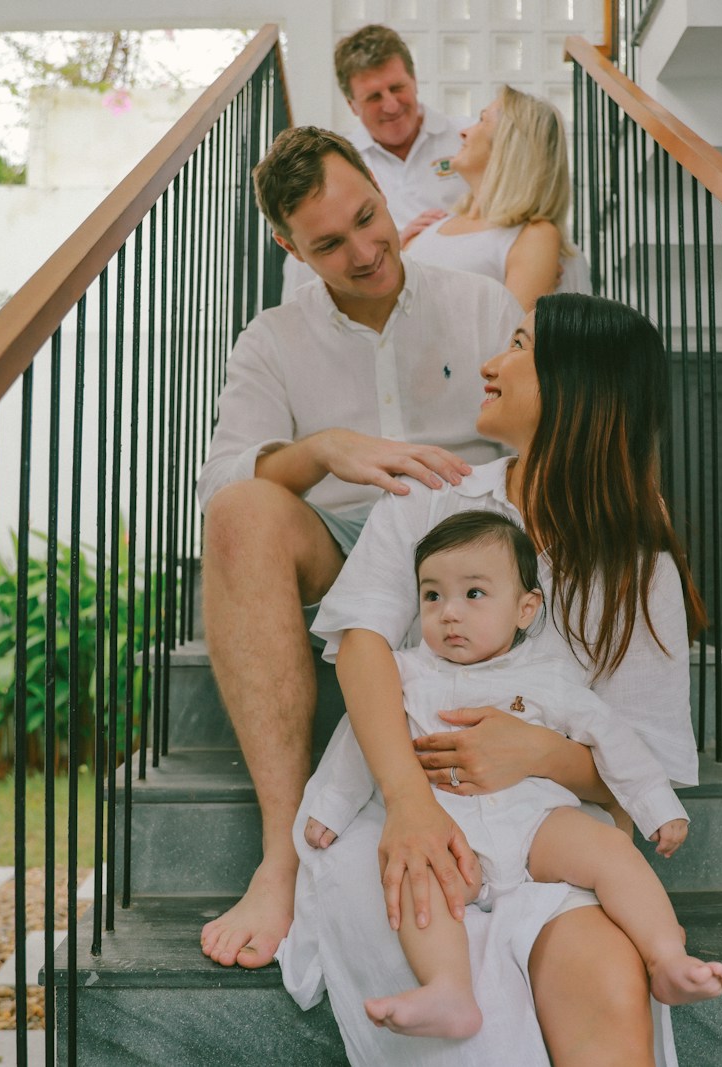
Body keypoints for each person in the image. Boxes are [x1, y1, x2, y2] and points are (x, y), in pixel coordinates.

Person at [280, 293, 708, 1065]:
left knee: (613, 982)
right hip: (410, 816)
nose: (490, 362)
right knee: (467, 1006)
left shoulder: (641, 573)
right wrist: (410, 802)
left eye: (518, 345)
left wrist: (536, 751)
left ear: (578, 390)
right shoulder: (434, 498)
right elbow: (363, 645)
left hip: (550, 835)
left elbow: (647, 768)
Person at [195, 125, 525, 972]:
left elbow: (547, 426)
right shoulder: (270, 339)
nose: (365, 251)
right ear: (288, 246)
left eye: (369, 218)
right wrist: (326, 449)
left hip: (476, 543)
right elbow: (225, 475)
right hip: (342, 545)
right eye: (329, 244)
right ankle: (280, 857)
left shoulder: (483, 304)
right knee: (240, 513)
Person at [300, 510, 722, 1040]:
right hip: (450, 829)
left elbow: (614, 740)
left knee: (609, 851)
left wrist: (658, 808)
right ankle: (448, 989)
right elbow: (358, 743)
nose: (449, 613)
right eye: (432, 596)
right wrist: (330, 808)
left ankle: (667, 958)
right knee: (424, 883)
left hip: (534, 825)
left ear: (525, 608)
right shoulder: (404, 673)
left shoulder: (547, 677)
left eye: (474, 594)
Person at [282, 25, 470, 302]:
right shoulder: (336, 166)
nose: (391, 105)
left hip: (462, 287)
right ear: (352, 105)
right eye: (374, 97)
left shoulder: (469, 138)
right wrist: (399, 245)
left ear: (414, 81)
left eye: (397, 88)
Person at [402, 85, 590, 310]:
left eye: (482, 120)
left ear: (508, 144)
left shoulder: (534, 236)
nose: (463, 132)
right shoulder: (433, 226)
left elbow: (515, 340)